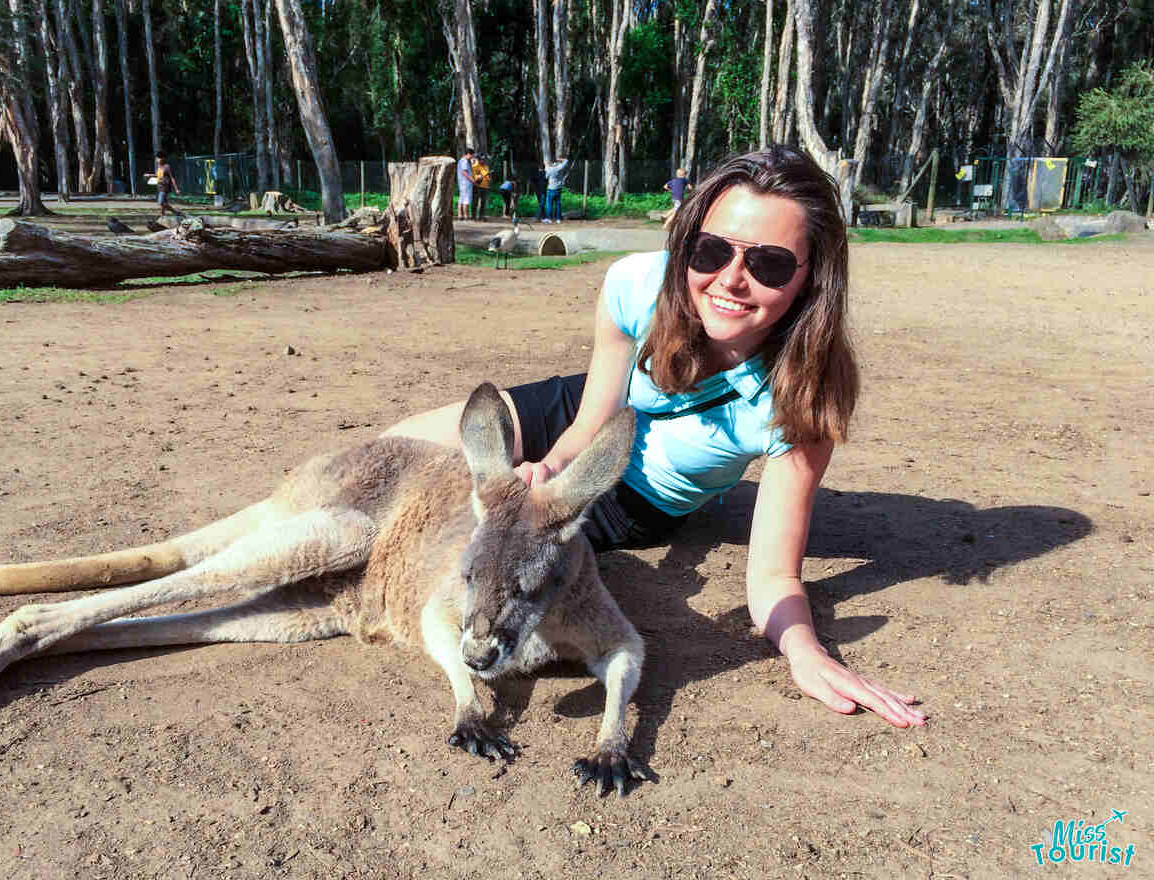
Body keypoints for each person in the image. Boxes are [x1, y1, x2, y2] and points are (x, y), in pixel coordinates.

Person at [383, 146, 926, 729]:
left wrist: (806, 651)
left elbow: (773, 574)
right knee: (394, 457)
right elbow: (591, 422)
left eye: (768, 264)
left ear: (811, 274)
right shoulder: (638, 285)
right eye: (711, 250)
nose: (731, 281)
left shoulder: (801, 396)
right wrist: (547, 472)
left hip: (633, 497)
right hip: (582, 420)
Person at [154, 151, 181, 216]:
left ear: (163, 158)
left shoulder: (167, 166)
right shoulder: (159, 166)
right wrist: (150, 175)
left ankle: (175, 212)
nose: (157, 160)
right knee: (164, 203)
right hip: (159, 187)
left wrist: (176, 189)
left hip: (165, 188)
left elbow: (172, 178)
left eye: (158, 158)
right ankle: (163, 216)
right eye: (157, 158)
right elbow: (158, 176)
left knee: (160, 202)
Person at [545, 156, 570, 223]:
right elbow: (566, 161)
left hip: (551, 188)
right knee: (558, 204)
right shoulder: (559, 168)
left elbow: (546, 176)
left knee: (549, 204)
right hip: (558, 188)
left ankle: (549, 219)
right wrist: (559, 159)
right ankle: (558, 219)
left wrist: (548, 166)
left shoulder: (549, 169)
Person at [456, 147, 475, 220]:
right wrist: (472, 180)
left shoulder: (462, 160)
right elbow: (464, 172)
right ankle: (465, 215)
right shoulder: (464, 161)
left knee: (462, 198)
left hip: (463, 183)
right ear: (469, 154)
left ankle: (460, 215)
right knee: (466, 199)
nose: (472, 157)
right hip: (465, 183)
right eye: (472, 155)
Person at [471, 153, 491, 220]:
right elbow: (474, 176)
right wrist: (479, 177)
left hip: (485, 186)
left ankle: (481, 216)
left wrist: (488, 178)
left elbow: (488, 176)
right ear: (478, 159)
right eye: (482, 159)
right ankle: (473, 216)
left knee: (483, 202)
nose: (483, 161)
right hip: (477, 186)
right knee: (475, 202)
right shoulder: (475, 166)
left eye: (484, 160)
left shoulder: (486, 166)